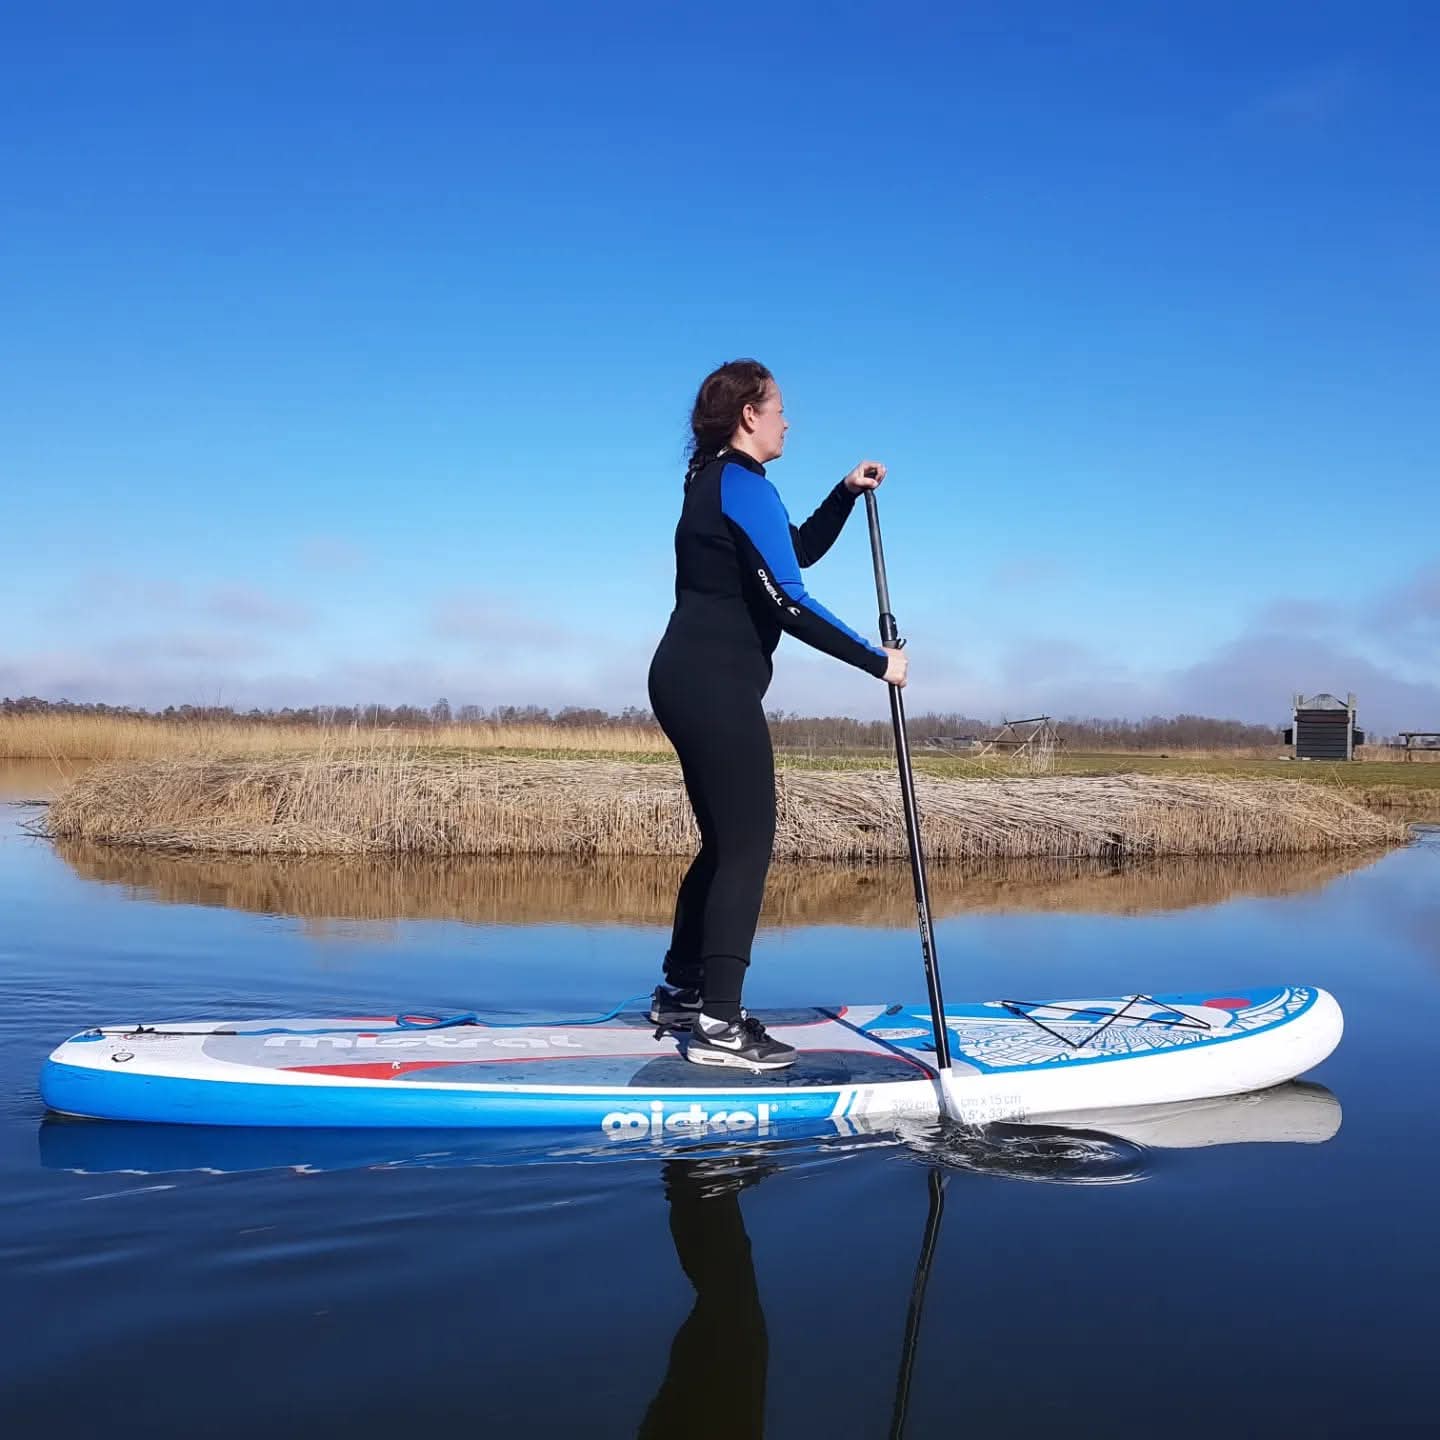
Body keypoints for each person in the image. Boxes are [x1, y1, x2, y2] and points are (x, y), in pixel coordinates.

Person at [647, 359, 908, 1070]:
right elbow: (787, 602)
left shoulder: (715, 482)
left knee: (724, 844)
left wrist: (843, 495)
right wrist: (876, 658)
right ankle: (720, 1027)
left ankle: (684, 989)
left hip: (687, 678)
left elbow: (790, 554)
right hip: (711, 685)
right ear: (748, 416)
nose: (789, 420)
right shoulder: (741, 482)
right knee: (748, 846)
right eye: (780, 408)